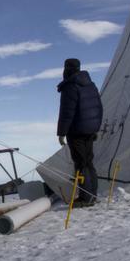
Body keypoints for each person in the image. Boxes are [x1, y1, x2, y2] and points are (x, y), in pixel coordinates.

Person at [56, 58, 103, 207]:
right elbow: (98, 108)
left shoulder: (70, 87)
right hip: (90, 130)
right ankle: (92, 195)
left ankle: (85, 198)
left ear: (67, 69)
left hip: (76, 131)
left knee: (81, 164)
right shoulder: (91, 85)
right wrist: (95, 128)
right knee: (88, 162)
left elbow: (67, 113)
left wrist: (61, 133)